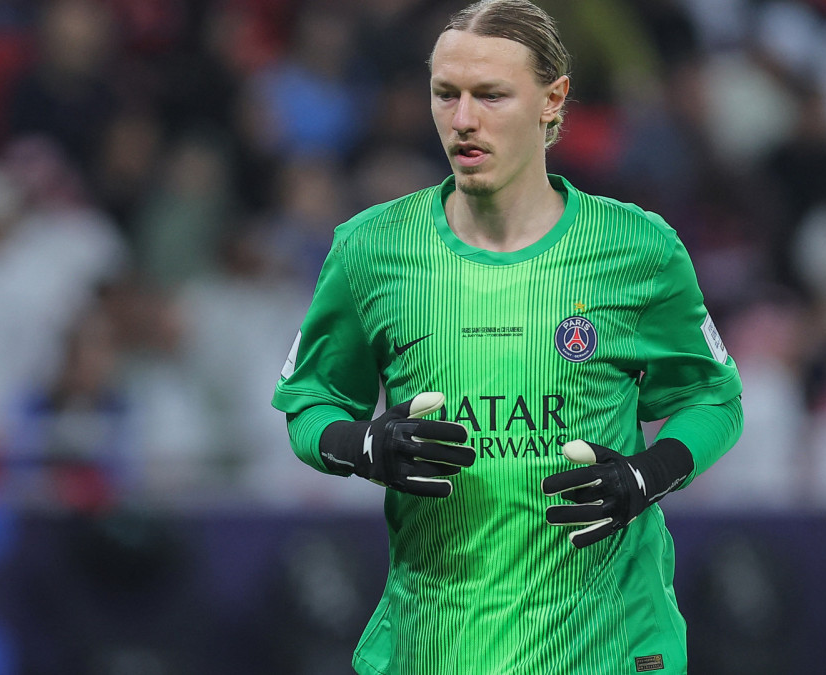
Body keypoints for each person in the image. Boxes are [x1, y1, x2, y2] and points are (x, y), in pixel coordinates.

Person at [272, 1, 743, 672]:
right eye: (446, 95)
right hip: (434, 646)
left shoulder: (637, 249)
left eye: (491, 95)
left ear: (553, 102)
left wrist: (646, 474)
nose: (463, 119)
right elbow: (307, 404)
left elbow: (714, 398)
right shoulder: (370, 251)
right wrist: (363, 442)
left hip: (607, 647)